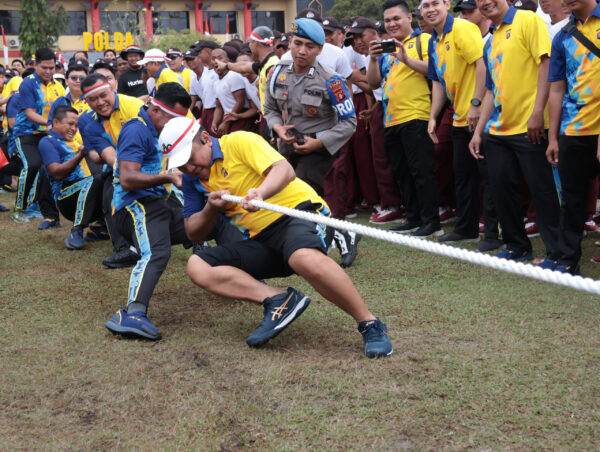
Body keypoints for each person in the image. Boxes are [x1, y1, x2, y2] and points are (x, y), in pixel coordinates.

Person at [160, 116, 393, 358]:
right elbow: (193, 231)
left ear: (206, 139)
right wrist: (211, 208)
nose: (188, 168)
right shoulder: (191, 180)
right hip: (261, 239)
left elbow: (284, 169)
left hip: (299, 214)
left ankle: (370, 324)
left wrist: (260, 193)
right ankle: (279, 300)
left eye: (189, 158)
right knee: (198, 265)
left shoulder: (238, 142)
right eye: (181, 164)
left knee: (302, 257)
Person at [263, 18, 361, 268]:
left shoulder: (332, 80)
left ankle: (326, 239)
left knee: (301, 193)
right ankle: (339, 233)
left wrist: (318, 143)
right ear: (289, 44)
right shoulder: (277, 72)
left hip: (320, 149)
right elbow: (270, 109)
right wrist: (277, 127)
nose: (301, 51)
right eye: (297, 43)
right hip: (288, 146)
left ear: (319, 49)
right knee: (288, 196)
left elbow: (349, 123)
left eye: (309, 46)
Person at [469, 0, 561, 265]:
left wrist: (537, 111)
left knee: (541, 191)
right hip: (498, 130)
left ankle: (557, 253)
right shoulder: (490, 39)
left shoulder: (527, 20)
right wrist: (479, 133)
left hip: (530, 126)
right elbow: (490, 89)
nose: (485, 2)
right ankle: (516, 246)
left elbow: (545, 65)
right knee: (501, 189)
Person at [103, 83, 197, 340]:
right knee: (157, 251)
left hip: (159, 204)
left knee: (210, 220)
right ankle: (132, 313)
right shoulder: (136, 129)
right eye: (174, 120)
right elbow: (128, 179)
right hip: (132, 206)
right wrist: (167, 176)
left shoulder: (161, 128)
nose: (178, 126)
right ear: (156, 110)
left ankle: (249, 282)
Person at [424, 0, 500, 251]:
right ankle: (466, 229)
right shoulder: (434, 40)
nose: (430, 9)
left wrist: (476, 103)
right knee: (463, 177)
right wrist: (434, 116)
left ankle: (492, 233)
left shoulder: (462, 28)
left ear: (446, 5)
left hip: (479, 116)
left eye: (435, 3)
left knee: (488, 178)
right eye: (424, 5)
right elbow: (436, 82)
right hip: (458, 118)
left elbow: (482, 64)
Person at [367, 4, 442, 238]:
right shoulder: (386, 49)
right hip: (391, 119)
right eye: (387, 20)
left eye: (396, 18)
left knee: (421, 171)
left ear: (409, 17)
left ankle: (431, 222)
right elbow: (373, 83)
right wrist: (371, 59)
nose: (391, 24)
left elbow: (436, 70)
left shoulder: (425, 40)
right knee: (401, 173)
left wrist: (406, 59)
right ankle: (413, 218)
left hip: (417, 115)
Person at [546, 0, 600, 274]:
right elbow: (556, 89)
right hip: (573, 129)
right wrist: (553, 138)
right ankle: (567, 261)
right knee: (571, 198)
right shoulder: (563, 35)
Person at [79, 73, 143, 269]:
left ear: (112, 89)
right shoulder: (86, 120)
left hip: (151, 161)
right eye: (92, 99)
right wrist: (127, 173)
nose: (100, 102)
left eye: (103, 95)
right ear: (85, 101)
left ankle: (198, 239)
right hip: (118, 167)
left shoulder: (134, 107)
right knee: (110, 194)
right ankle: (124, 249)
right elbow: (104, 155)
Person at [11, 48, 65, 226]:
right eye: (44, 68)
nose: (49, 71)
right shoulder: (28, 84)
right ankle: (18, 209)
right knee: (31, 165)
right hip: (25, 134)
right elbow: (29, 113)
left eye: (52, 68)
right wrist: (50, 124)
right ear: (35, 65)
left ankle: (36, 206)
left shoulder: (58, 86)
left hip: (46, 135)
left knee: (46, 169)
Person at [38, 106, 103, 249]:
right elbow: (57, 173)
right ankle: (77, 230)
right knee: (97, 179)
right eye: (70, 124)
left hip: (87, 194)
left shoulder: (75, 141)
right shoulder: (47, 141)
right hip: (66, 198)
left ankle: (100, 228)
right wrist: (80, 155)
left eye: (76, 126)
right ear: (55, 122)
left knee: (110, 177)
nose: (73, 129)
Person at [212, 26, 280, 114]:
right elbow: (244, 66)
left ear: (255, 43)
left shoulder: (272, 67)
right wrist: (225, 65)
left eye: (250, 43)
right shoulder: (264, 64)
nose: (250, 47)